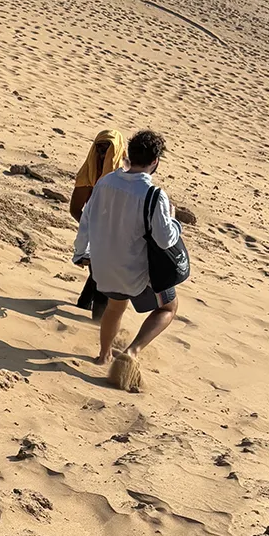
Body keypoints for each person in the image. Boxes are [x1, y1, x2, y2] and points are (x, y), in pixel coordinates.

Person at [73, 128, 182, 388]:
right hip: (135, 271)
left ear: (127, 155)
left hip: (103, 269)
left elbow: (85, 221)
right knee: (168, 308)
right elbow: (166, 239)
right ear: (155, 161)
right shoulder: (154, 195)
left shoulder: (105, 182)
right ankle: (132, 352)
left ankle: (103, 355)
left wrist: (80, 252)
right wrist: (175, 220)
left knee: (115, 306)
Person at [68, 128, 125, 221]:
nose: (103, 153)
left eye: (108, 148)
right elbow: (75, 210)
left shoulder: (128, 176)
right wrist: (90, 227)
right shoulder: (88, 174)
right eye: (100, 147)